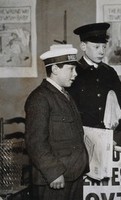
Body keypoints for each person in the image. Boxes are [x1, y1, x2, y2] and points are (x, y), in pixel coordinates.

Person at [24, 44, 89, 200]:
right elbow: (35, 142)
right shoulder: (39, 98)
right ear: (54, 69)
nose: (75, 74)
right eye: (70, 69)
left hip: (73, 174)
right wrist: (53, 173)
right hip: (54, 179)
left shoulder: (64, 94)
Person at [68, 22, 121, 146]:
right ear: (83, 46)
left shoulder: (109, 72)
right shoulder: (73, 71)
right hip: (80, 140)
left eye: (104, 47)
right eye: (96, 47)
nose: (102, 52)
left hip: (108, 139)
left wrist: (116, 139)